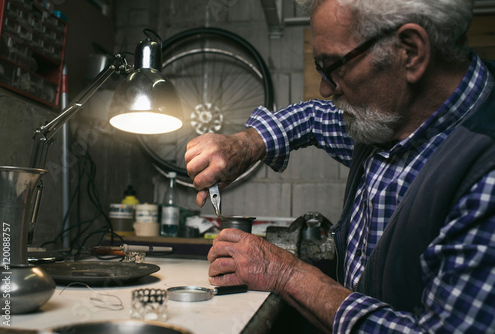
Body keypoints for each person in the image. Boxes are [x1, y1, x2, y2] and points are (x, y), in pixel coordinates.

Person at [185, 0, 495, 332]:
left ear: (410, 52)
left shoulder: (484, 174)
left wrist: (286, 274)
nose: (325, 88)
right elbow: (313, 118)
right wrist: (247, 144)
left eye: (334, 66)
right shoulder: (391, 116)